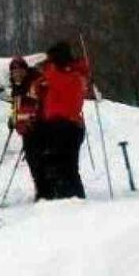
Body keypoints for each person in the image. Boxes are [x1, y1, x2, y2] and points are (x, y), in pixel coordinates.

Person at [33, 41, 91, 199]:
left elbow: (45, 84)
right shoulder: (77, 72)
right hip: (64, 124)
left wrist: (45, 72)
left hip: (65, 124)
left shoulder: (68, 75)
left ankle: (70, 197)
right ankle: (72, 196)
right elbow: (37, 88)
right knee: (67, 165)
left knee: (63, 165)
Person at [7, 57, 44, 199]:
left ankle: (43, 191)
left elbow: (37, 105)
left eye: (19, 70)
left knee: (39, 160)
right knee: (32, 160)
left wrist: (32, 119)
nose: (16, 73)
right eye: (14, 71)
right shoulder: (16, 88)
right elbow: (16, 108)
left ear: (25, 70)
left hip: (37, 128)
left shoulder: (33, 84)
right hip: (25, 130)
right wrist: (13, 119)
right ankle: (40, 189)